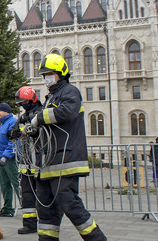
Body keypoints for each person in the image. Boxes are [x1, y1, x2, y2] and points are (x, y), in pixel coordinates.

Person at [29, 53, 107, 241]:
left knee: (69, 203)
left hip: (65, 160)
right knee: (46, 209)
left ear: (61, 73)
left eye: (50, 74)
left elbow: (67, 112)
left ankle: (97, 239)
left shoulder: (70, 92)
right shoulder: (51, 96)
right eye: (44, 75)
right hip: (48, 162)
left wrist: (39, 118)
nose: (46, 78)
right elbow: (49, 128)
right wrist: (32, 130)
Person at [7, 86, 42, 235]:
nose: (22, 105)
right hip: (25, 161)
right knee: (27, 195)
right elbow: (12, 134)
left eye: (24, 102)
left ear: (31, 99)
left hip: (40, 161)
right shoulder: (23, 117)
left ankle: (49, 223)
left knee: (44, 194)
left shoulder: (40, 114)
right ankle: (29, 224)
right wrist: (13, 133)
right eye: (20, 103)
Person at [0, 102, 19, 218]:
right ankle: (8, 209)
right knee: (4, 184)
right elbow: (0, 142)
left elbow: (13, 141)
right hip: (1, 158)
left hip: (9, 159)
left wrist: (6, 156)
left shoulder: (12, 122)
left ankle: (29, 207)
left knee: (17, 183)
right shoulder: (2, 124)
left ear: (6, 111)